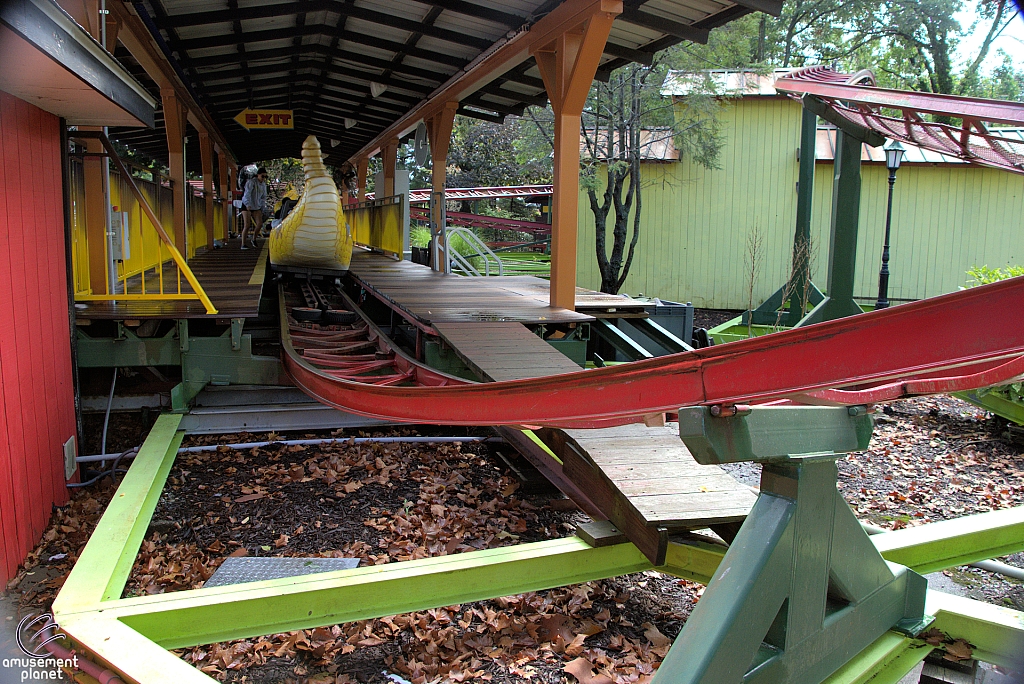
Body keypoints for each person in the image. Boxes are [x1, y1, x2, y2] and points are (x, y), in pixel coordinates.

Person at [240, 167, 268, 249]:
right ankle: (243, 244)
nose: (263, 179)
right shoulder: (251, 182)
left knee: (259, 223)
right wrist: (247, 204)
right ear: (258, 175)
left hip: (256, 206)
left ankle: (254, 239)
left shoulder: (263, 185)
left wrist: (262, 207)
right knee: (247, 225)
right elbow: (247, 194)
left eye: (265, 177)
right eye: (262, 176)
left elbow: (263, 197)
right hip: (247, 205)